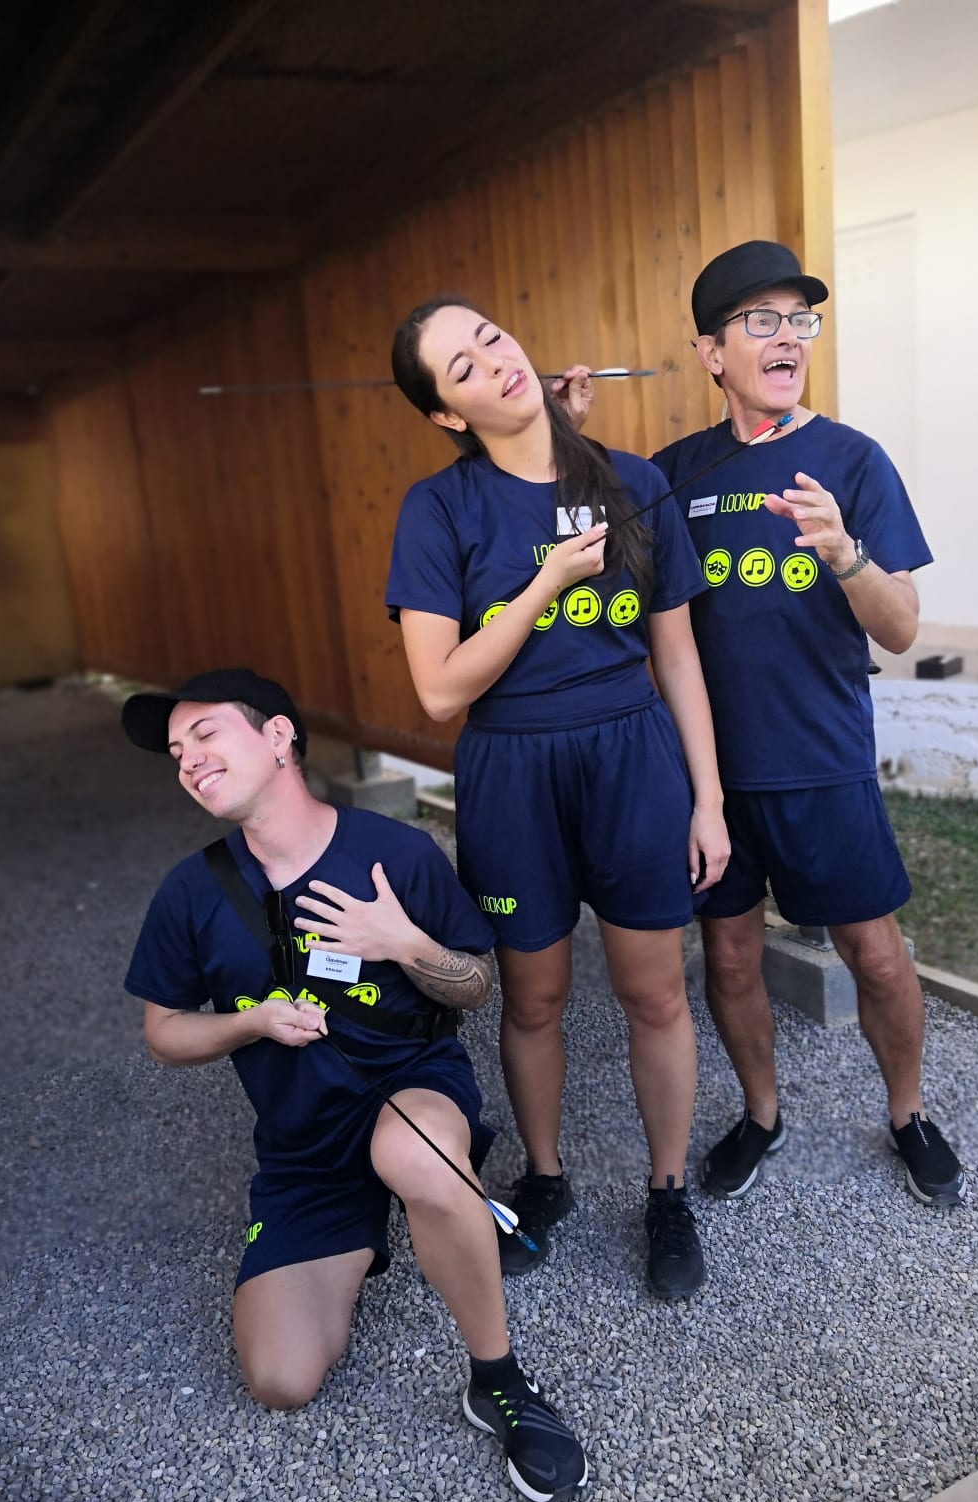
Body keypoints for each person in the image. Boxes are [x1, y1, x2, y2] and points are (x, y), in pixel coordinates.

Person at [121, 667, 587, 1502]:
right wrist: (249, 1024)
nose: (187, 759)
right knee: (280, 1378)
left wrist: (403, 942)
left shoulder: (393, 853)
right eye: (176, 750)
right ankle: (408, 1215)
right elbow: (164, 1033)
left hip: (411, 1089)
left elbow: (476, 986)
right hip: (305, 1147)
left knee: (413, 1157)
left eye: (205, 734)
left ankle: (498, 1380)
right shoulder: (191, 891)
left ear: (277, 737)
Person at [579, 239, 965, 1209]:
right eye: (761, 320)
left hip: (822, 762)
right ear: (713, 353)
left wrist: (844, 553)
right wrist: (559, 425)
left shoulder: (852, 460)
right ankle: (761, 1115)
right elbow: (590, 538)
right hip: (710, 779)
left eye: (800, 320)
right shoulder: (673, 474)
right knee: (729, 956)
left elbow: (901, 628)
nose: (787, 336)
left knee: (873, 952)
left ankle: (908, 1112)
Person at [386, 298, 731, 1300]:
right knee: (533, 998)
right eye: (460, 367)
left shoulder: (633, 482)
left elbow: (677, 654)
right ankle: (545, 1177)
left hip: (632, 755)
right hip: (512, 766)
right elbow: (439, 689)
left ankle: (667, 1191)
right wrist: (542, 584)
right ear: (447, 414)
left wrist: (708, 799)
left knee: (655, 992)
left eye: (490, 337)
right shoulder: (439, 509)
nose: (492, 360)